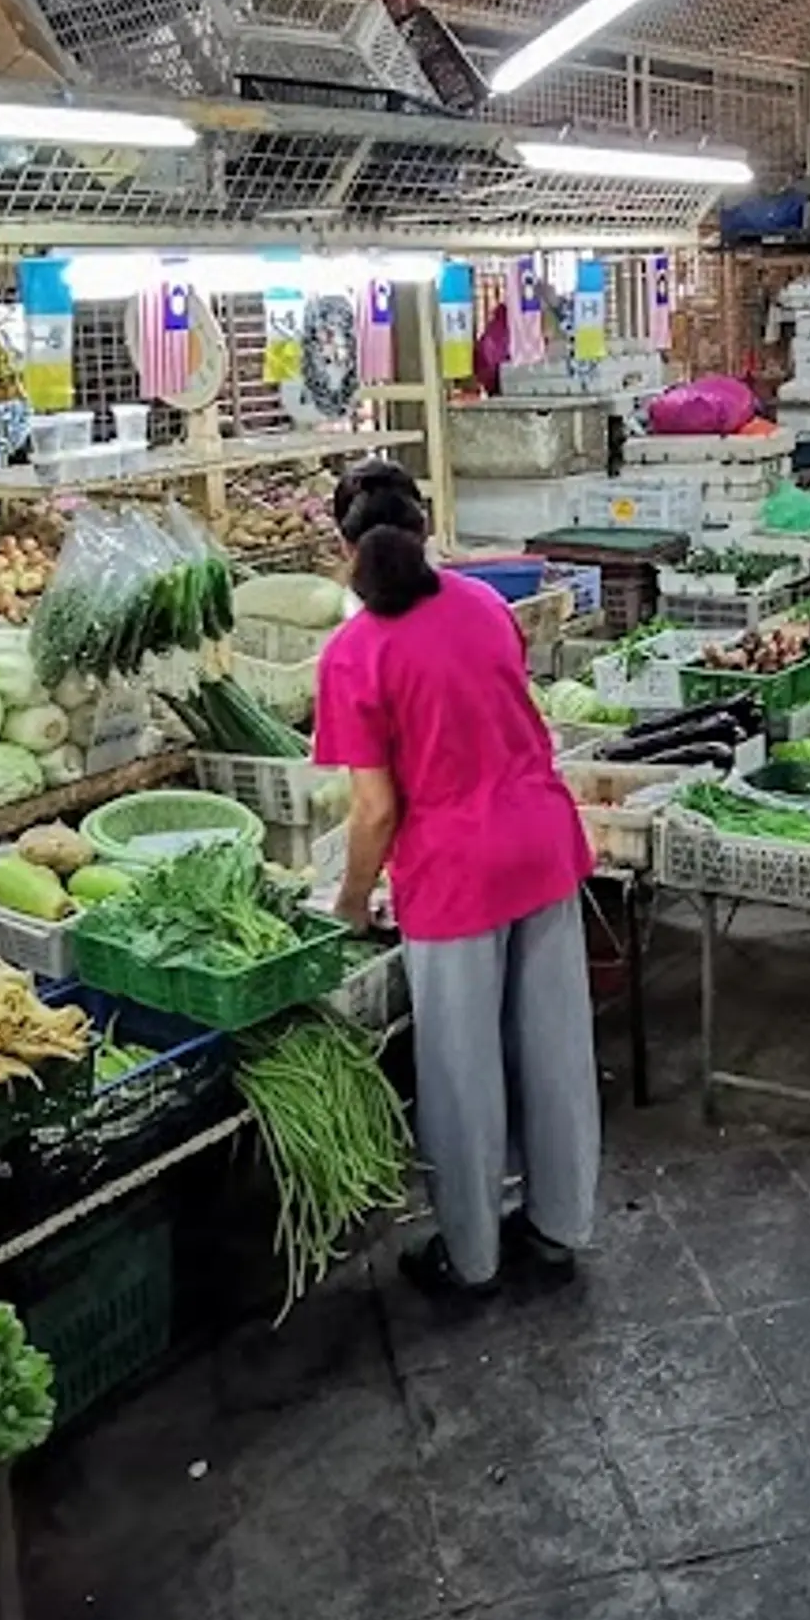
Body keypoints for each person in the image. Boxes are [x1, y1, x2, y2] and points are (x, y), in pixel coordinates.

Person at [312, 461, 598, 1301]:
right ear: (428, 527)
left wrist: (353, 901)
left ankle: (470, 1258)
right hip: (541, 845)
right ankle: (558, 1228)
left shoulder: (353, 653)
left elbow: (372, 812)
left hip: (453, 876)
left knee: (461, 1071)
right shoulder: (482, 606)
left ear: (344, 546)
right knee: (556, 1053)